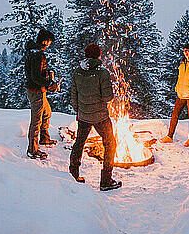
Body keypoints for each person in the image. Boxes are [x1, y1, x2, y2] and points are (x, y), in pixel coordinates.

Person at [69, 43, 122, 192]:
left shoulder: (78, 72)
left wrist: (78, 110)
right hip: (100, 117)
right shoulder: (102, 73)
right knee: (110, 144)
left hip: (84, 116)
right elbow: (108, 98)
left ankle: (73, 176)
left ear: (86, 55)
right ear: (98, 55)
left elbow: (74, 94)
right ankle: (106, 180)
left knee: (79, 143)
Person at [160, 43, 189, 147]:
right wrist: (177, 88)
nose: (185, 52)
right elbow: (180, 78)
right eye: (184, 50)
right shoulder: (182, 64)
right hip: (181, 94)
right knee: (174, 115)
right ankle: (169, 136)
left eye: (187, 50)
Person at [25, 28, 61, 160]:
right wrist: (49, 84)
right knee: (36, 120)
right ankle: (32, 150)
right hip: (36, 91)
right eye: (50, 42)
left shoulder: (34, 52)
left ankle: (44, 138)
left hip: (38, 90)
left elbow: (36, 73)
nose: (50, 44)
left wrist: (47, 76)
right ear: (45, 41)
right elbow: (35, 77)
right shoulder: (37, 55)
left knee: (47, 112)